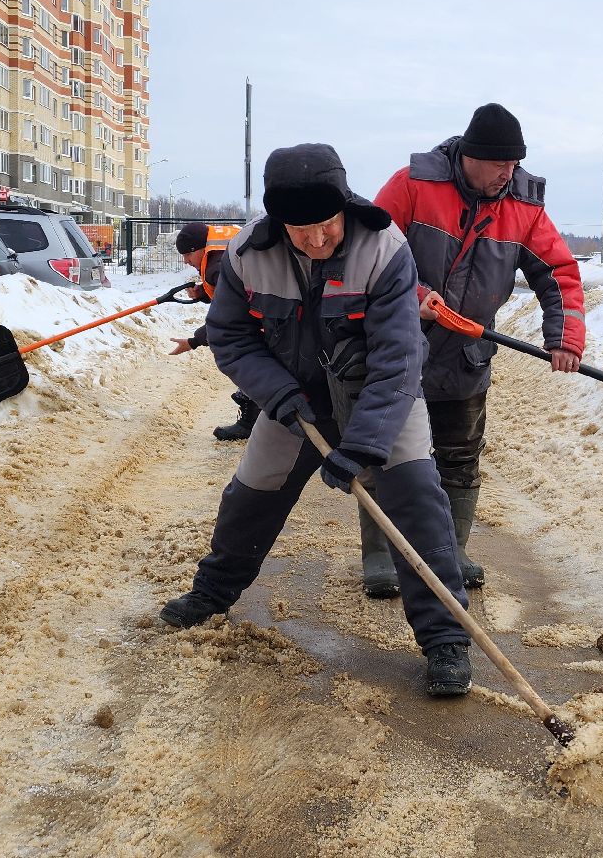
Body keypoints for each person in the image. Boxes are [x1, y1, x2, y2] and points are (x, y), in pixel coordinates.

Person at [159, 143, 474, 697]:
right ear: (277, 220)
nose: (315, 238)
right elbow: (231, 336)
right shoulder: (246, 255)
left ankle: (446, 640)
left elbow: (399, 358)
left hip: (378, 399)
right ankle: (213, 593)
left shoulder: (383, 248)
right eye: (299, 228)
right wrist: (277, 394)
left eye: (325, 224)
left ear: (344, 207)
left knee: (419, 502)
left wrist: (366, 443)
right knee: (250, 496)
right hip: (295, 402)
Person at [368, 102, 585, 597]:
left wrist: (565, 338)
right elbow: (368, 254)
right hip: (400, 346)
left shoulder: (524, 207)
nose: (509, 176)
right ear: (469, 155)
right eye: (500, 166)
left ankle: (452, 548)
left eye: (515, 167)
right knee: (387, 452)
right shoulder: (412, 186)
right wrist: (414, 296)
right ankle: (380, 553)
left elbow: (559, 274)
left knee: (461, 455)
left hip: (468, 351)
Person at [168, 221, 260, 441]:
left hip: (263, 317)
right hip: (267, 309)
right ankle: (254, 418)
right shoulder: (220, 255)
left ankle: (251, 422)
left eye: (187, 255)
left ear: (199, 249)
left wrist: (193, 341)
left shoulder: (216, 267)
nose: (186, 261)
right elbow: (229, 296)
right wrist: (203, 294)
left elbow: (227, 319)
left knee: (242, 358)